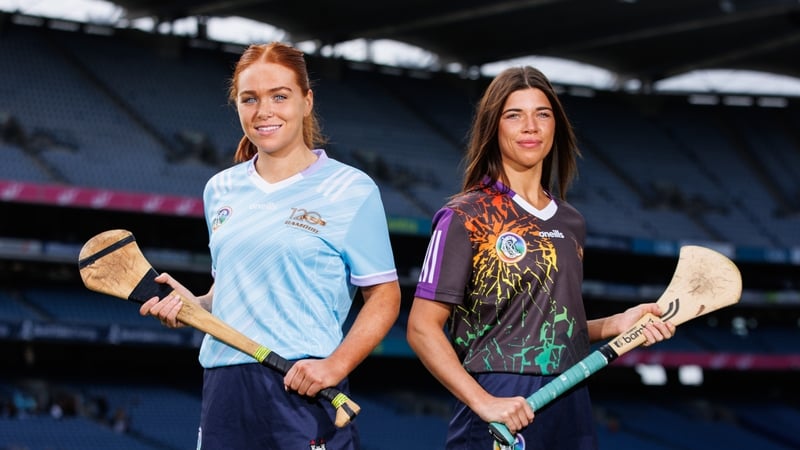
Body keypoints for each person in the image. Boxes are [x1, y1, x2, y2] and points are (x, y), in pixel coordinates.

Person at [139, 42, 401, 450]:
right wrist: (193, 304)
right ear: (237, 105)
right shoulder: (220, 189)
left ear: (306, 101)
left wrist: (335, 366)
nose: (265, 111)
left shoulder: (351, 189)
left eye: (280, 96)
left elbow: (385, 295)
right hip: (224, 388)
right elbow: (232, 290)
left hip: (304, 388)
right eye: (250, 99)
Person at [405, 66, 676, 450]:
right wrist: (484, 402)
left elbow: (547, 322)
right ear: (493, 128)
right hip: (501, 395)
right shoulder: (466, 215)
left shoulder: (570, 221)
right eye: (514, 115)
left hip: (571, 393)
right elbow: (421, 327)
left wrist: (617, 323)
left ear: (556, 127)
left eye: (542, 114)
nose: (530, 126)